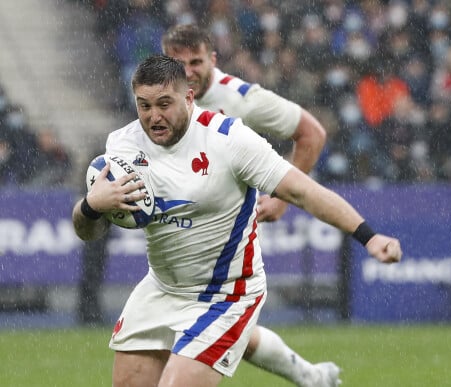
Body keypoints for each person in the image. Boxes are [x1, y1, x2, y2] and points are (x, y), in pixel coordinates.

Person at [71, 54, 402, 387]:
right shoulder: (122, 147)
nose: (153, 117)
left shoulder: (230, 141)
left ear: (188, 97)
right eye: (144, 106)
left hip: (226, 293)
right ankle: (312, 378)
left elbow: (304, 192)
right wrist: (90, 206)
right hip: (163, 287)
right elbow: (88, 232)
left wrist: (368, 236)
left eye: (164, 104)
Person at [161, 24, 334, 386]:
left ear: (213, 59)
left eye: (196, 62)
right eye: (179, 63)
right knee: (218, 325)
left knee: (201, 323)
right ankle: (312, 377)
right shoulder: (157, 97)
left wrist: (281, 199)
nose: (188, 72)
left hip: (225, 235)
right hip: (178, 232)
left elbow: (312, 134)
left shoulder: (239, 97)